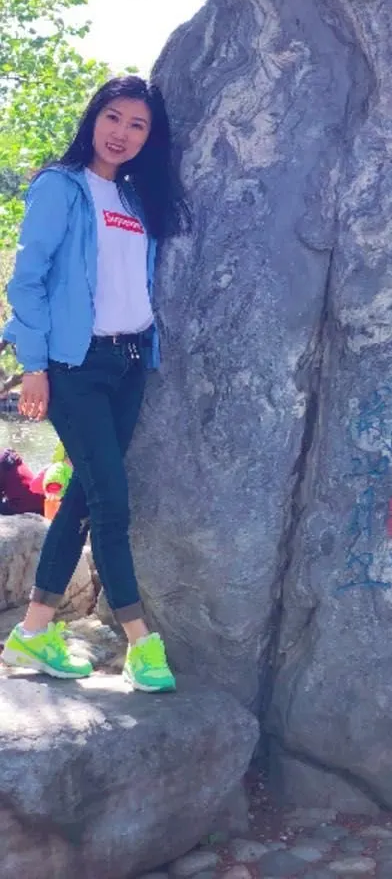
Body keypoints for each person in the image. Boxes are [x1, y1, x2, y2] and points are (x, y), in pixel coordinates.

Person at [0, 76, 188, 692]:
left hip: (129, 364)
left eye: (138, 125)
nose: (122, 133)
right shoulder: (61, 186)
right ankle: (141, 642)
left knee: (83, 496)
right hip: (74, 366)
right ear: (93, 118)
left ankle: (33, 632)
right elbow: (28, 280)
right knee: (111, 502)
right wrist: (34, 366)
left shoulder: (133, 197)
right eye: (113, 117)